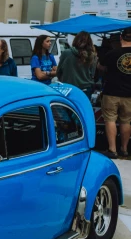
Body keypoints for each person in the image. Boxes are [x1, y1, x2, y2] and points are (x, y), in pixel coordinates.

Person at [99, 27, 131, 158]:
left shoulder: (112, 53)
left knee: (110, 120)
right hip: (129, 93)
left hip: (111, 92)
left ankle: (112, 150)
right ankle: (124, 149)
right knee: (126, 121)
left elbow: (101, 67)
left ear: (121, 38)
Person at [56, 31, 96, 95]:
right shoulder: (92, 56)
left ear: (76, 40)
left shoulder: (67, 53)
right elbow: (92, 74)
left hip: (68, 89)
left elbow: (58, 72)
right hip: (86, 89)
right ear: (90, 42)